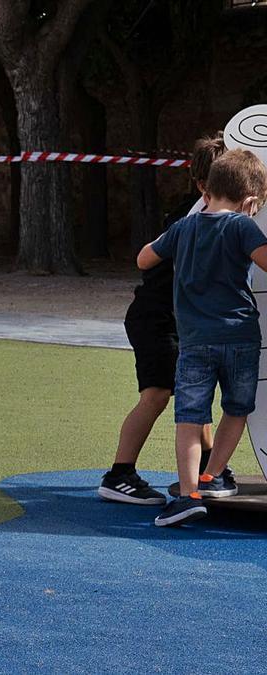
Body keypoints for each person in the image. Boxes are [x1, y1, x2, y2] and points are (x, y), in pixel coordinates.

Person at [137, 148, 267, 527]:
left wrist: (177, 243)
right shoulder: (243, 226)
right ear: (252, 202)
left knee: (190, 418)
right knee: (237, 409)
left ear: (206, 191)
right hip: (240, 336)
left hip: (194, 342)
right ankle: (214, 475)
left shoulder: (184, 227)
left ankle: (189, 494)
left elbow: (144, 259)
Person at [99, 134, 226, 505]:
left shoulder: (212, 214)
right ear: (204, 186)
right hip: (156, 319)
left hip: (178, 320)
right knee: (157, 394)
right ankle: (119, 474)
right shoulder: (193, 218)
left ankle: (209, 466)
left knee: (194, 390)